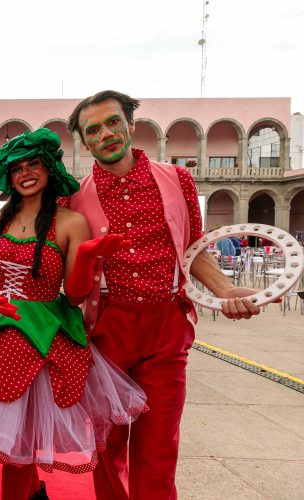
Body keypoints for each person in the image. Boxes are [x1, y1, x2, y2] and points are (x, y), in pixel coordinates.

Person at [0, 129, 148, 500]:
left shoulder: (70, 222)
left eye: (34, 164)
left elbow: (76, 294)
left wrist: (90, 254)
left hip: (44, 342)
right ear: (9, 176)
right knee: (17, 451)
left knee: (18, 451)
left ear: (49, 169)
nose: (26, 173)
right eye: (17, 168)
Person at [66, 90, 262, 499]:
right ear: (85, 143)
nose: (106, 134)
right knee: (107, 447)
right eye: (93, 130)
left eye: (113, 122)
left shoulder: (178, 180)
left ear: (130, 124)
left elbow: (194, 249)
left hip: (166, 329)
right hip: (106, 332)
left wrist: (225, 291)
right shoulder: (74, 196)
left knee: (159, 450)